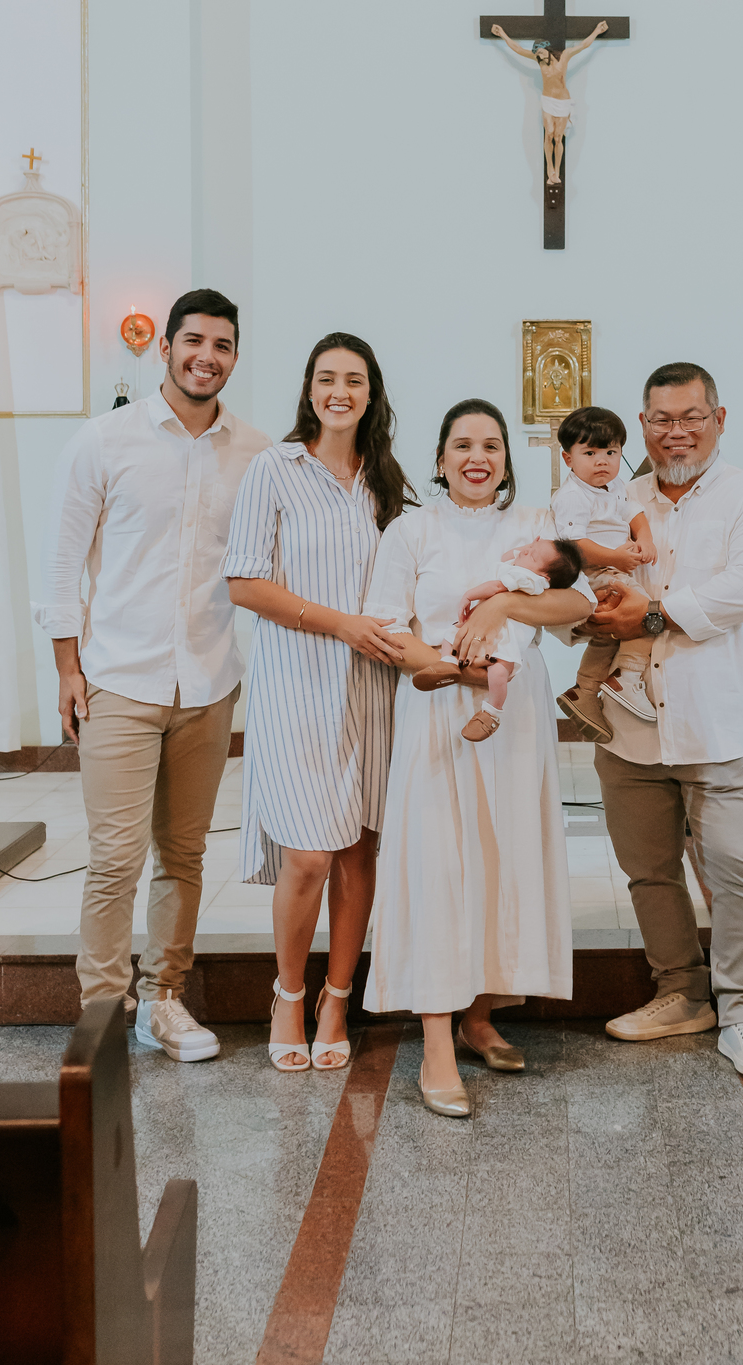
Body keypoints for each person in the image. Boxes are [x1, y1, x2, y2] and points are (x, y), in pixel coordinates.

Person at [33, 290, 269, 1060]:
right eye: (194, 340)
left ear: (236, 355)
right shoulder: (105, 440)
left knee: (184, 854)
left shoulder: (254, 452)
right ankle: (102, 1010)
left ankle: (163, 999)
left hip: (207, 680)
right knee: (114, 857)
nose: (207, 355)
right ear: (165, 345)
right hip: (119, 678)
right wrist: (68, 668)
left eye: (223, 344)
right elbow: (64, 561)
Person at [361, 399, 593, 1117]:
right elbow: (385, 626)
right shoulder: (411, 528)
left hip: (512, 719)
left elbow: (577, 603)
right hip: (436, 711)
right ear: (439, 459)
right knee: (439, 869)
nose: (477, 456)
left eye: (490, 444)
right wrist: (455, 667)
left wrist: (502, 611)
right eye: (461, 443)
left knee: (501, 859)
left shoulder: (530, 526)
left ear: (505, 459)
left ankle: (480, 1014)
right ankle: (434, 1040)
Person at [575, 362, 743, 1080]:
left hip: (716, 720)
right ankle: (679, 991)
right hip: (628, 723)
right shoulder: (612, 496)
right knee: (648, 870)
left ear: (720, 418)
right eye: (662, 419)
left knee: (736, 869)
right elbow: (576, 581)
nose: (677, 432)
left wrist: (651, 612)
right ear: (641, 423)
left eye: (692, 416)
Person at [223, 334, 411, 1072]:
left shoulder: (385, 480)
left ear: (372, 392)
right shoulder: (274, 468)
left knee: (358, 848)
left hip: (371, 687)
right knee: (308, 852)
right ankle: (289, 992)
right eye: (327, 378)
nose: (340, 390)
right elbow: (244, 582)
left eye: (354, 379)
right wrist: (342, 624)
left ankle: (339, 995)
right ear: (308, 389)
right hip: (297, 679)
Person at [551, 404, 658, 741]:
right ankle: (627, 676)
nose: (602, 461)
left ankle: (584, 689)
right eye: (591, 452)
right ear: (568, 459)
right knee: (645, 614)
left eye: (611, 452)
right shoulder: (571, 496)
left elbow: (634, 510)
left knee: (608, 632)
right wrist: (616, 557)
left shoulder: (614, 485)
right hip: (594, 569)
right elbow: (574, 544)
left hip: (614, 565)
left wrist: (645, 537)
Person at [410, 535, 583, 741]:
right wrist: (533, 549)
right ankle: (447, 663)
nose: (524, 551)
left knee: (499, 671)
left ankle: (492, 711)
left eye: (533, 556)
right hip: (488, 627)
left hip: (505, 637)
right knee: (454, 634)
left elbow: (496, 587)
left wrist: (470, 595)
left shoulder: (529, 579)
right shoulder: (525, 569)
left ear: (545, 576)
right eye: (529, 547)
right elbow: (508, 555)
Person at [489, 20, 608, 185]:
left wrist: (596, 31)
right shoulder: (539, 61)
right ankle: (549, 169)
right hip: (547, 101)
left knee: (558, 137)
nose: (539, 55)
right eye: (537, 54)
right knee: (549, 133)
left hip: (563, 101)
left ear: (548, 48)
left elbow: (583, 45)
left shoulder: (564, 57)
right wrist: (502, 34)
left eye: (541, 51)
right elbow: (518, 49)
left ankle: (556, 172)